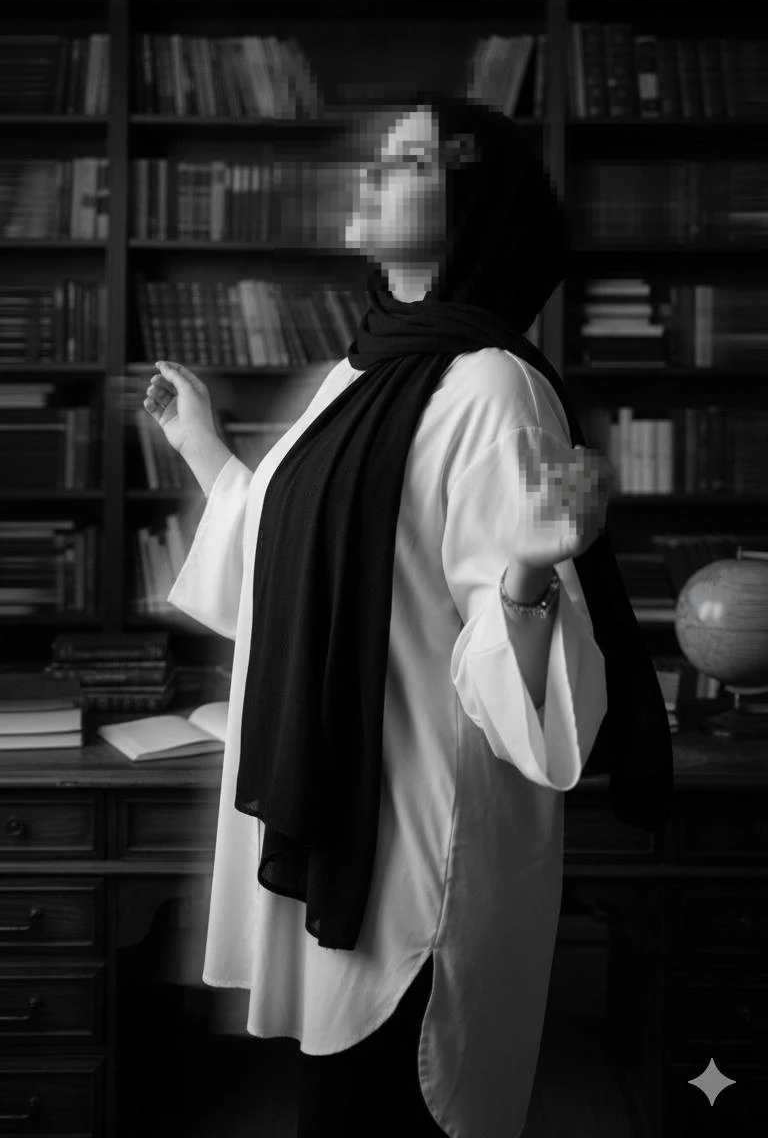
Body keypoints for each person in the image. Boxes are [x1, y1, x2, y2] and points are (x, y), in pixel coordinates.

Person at [141, 93, 622, 1138]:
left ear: (474, 205)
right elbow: (287, 569)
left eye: (406, 161)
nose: (369, 175)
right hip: (336, 817)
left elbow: (517, 687)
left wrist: (535, 575)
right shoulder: (359, 372)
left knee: (389, 1112)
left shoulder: (494, 388)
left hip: (413, 847)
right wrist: (206, 452)